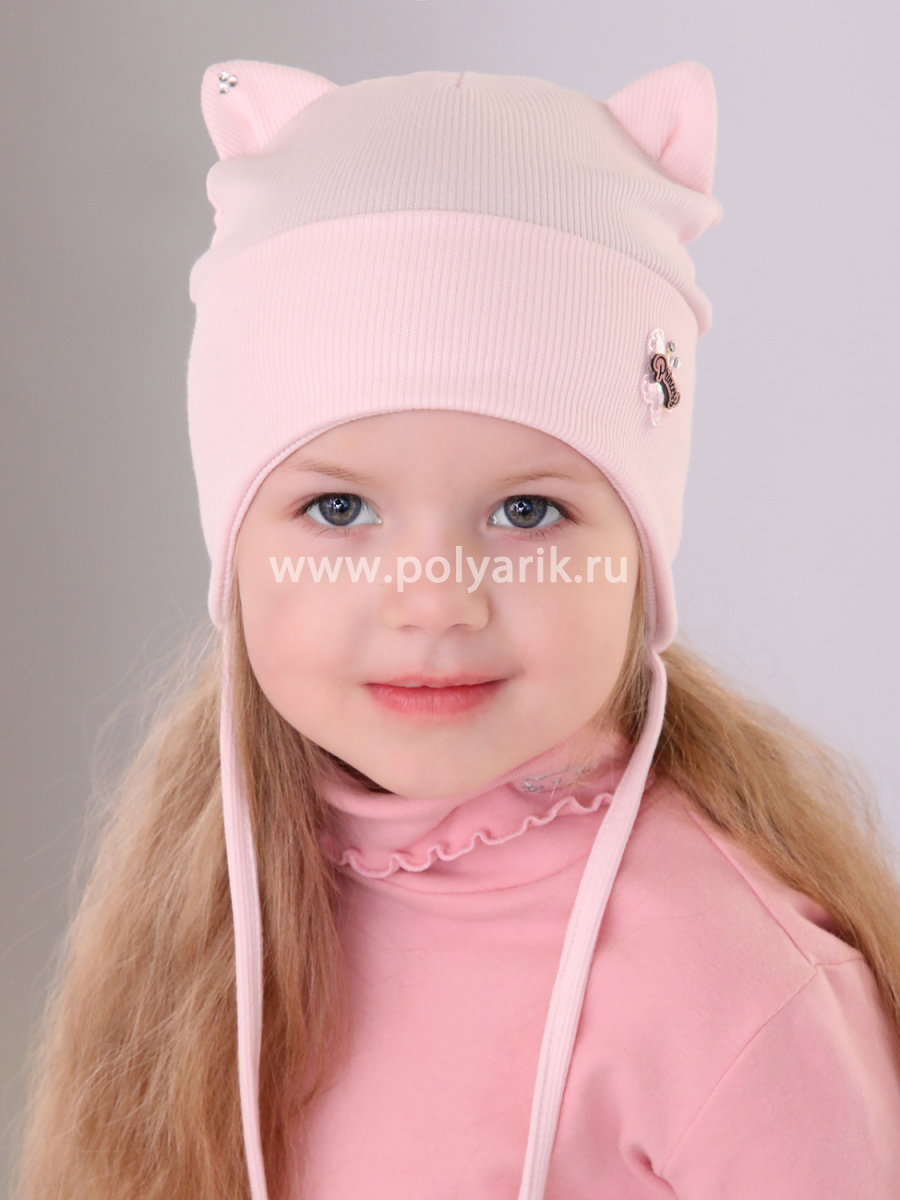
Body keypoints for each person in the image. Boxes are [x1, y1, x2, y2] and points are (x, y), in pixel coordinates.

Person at [14, 59, 900, 1200]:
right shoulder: (203, 922)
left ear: (640, 554)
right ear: (235, 547)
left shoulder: (739, 997)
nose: (434, 598)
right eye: (340, 510)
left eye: (526, 512)